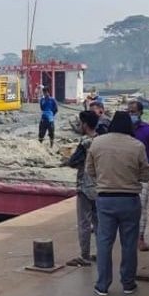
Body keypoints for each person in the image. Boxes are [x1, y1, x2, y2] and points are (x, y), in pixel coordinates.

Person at [86, 111, 149, 296]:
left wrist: (105, 178)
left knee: (104, 242)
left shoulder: (97, 143)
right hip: (129, 200)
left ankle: (102, 285)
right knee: (129, 243)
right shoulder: (137, 146)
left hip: (105, 199)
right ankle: (128, 283)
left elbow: (89, 170)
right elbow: (146, 175)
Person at [65, 110, 100, 267]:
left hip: (85, 186)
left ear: (85, 124)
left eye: (80, 123)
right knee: (99, 222)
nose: (79, 126)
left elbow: (73, 162)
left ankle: (84, 255)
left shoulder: (85, 142)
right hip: (100, 186)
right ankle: (101, 253)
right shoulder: (101, 140)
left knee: (84, 222)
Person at [128, 100, 149, 252]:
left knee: (141, 206)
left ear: (140, 112)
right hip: (125, 173)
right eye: (129, 111)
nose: (131, 114)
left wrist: (147, 163)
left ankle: (140, 238)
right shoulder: (124, 130)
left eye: (133, 111)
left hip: (143, 173)